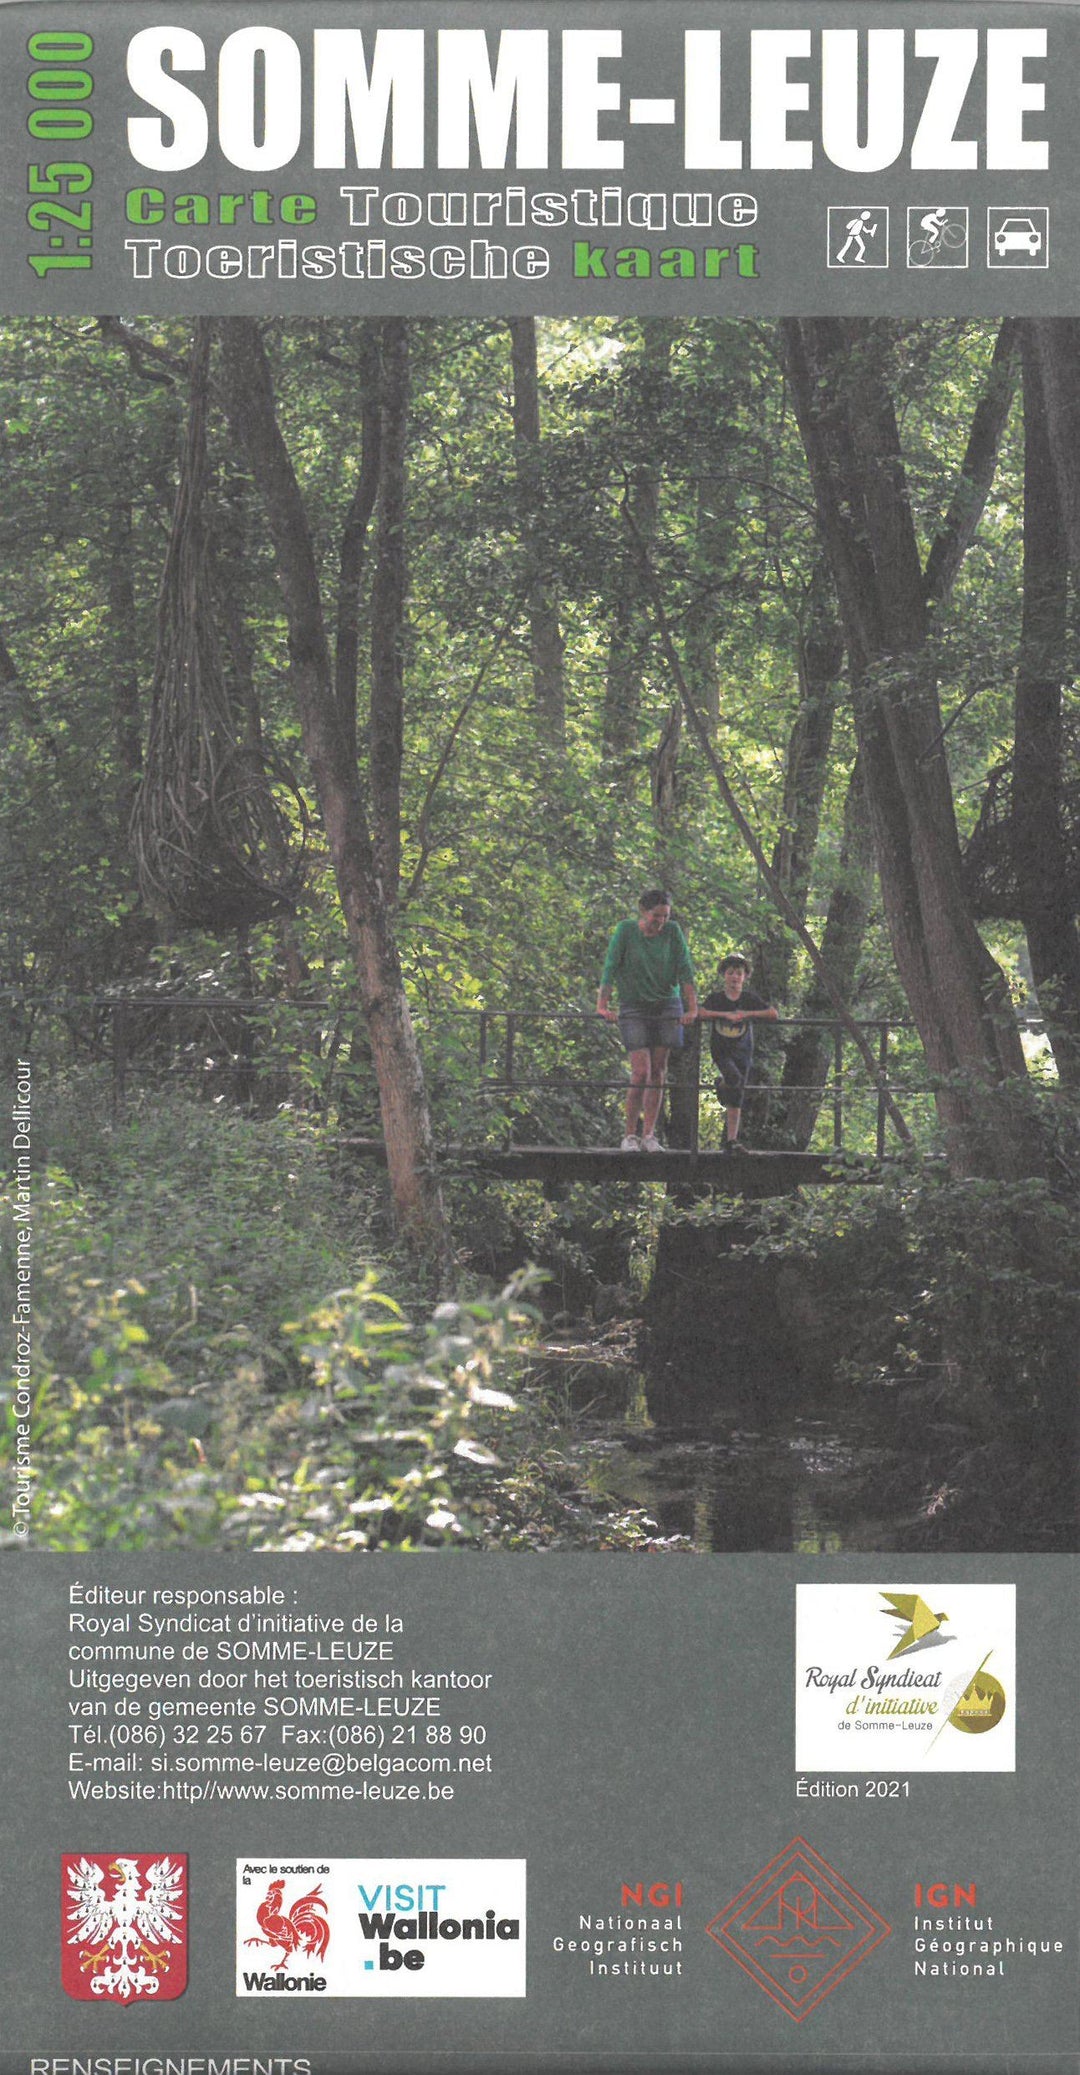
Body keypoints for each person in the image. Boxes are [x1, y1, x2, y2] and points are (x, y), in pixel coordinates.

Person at [597, 889, 697, 1151]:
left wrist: (692, 1008)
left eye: (665, 916)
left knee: (658, 1071)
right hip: (634, 1005)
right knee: (640, 1071)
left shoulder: (673, 932)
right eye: (656, 916)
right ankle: (630, 1134)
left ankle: (650, 1135)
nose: (660, 922)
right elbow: (611, 966)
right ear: (643, 911)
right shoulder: (626, 931)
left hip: (667, 1004)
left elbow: (685, 969)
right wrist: (603, 1005)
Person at [700, 953, 778, 1152]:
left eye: (739, 973)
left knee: (737, 1092)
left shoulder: (748, 999)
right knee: (733, 1078)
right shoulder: (716, 999)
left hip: (743, 1051)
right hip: (721, 1049)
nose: (734, 977)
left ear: (744, 977)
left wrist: (746, 1014)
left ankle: (731, 1140)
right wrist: (723, 1014)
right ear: (724, 975)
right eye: (731, 973)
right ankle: (722, 1084)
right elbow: (700, 1012)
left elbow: (772, 1013)